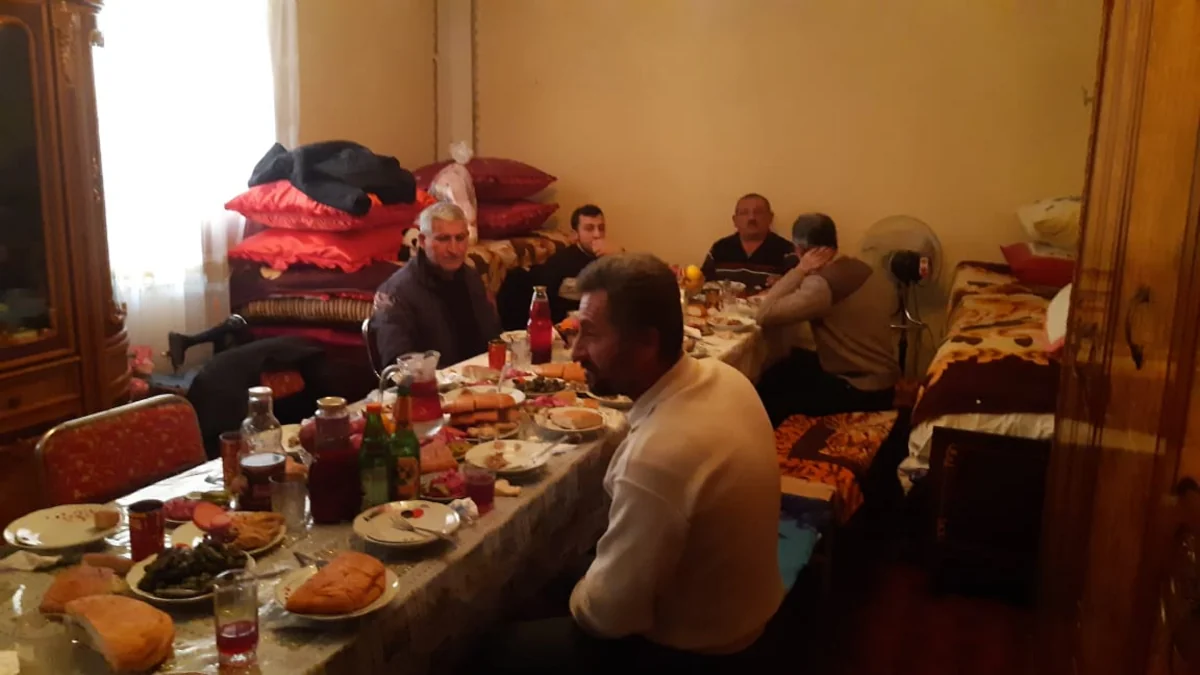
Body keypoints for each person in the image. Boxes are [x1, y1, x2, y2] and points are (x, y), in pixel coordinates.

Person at [484, 253, 784, 673]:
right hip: (747, 612)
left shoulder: (658, 457)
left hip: (701, 649)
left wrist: (578, 593)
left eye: (591, 334)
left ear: (647, 342)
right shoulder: (724, 377)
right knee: (554, 575)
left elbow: (607, 618)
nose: (576, 350)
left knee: (493, 647)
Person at [755, 213, 899, 426]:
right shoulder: (859, 266)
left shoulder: (821, 284)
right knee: (789, 361)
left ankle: (765, 439)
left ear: (800, 250)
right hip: (882, 376)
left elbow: (765, 314)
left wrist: (799, 270)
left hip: (859, 388)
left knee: (769, 390)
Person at [372, 202, 501, 368]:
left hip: (483, 378)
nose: (454, 249)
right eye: (443, 239)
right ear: (422, 240)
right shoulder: (396, 293)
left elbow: (493, 339)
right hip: (433, 381)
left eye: (460, 238)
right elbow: (398, 364)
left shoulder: (471, 277)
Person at [700, 193, 797, 291]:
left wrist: (785, 284)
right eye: (744, 213)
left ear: (770, 218)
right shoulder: (719, 248)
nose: (751, 218)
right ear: (735, 220)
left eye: (758, 212)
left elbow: (799, 290)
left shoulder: (787, 251)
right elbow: (703, 284)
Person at [539, 204, 618, 322]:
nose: (597, 235)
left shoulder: (613, 260)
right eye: (589, 229)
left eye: (601, 228)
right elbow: (545, 305)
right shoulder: (559, 262)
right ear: (575, 234)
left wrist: (618, 256)